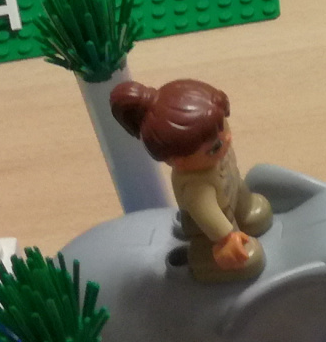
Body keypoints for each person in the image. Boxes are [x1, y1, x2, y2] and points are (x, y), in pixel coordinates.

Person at [110, 77, 273, 282]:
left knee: (251, 209)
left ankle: (244, 210)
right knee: (244, 257)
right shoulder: (196, 185)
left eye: (224, 125)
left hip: (233, 196)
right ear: (177, 160)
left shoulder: (215, 157)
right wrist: (226, 237)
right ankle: (205, 258)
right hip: (210, 228)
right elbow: (208, 214)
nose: (227, 139)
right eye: (214, 147)